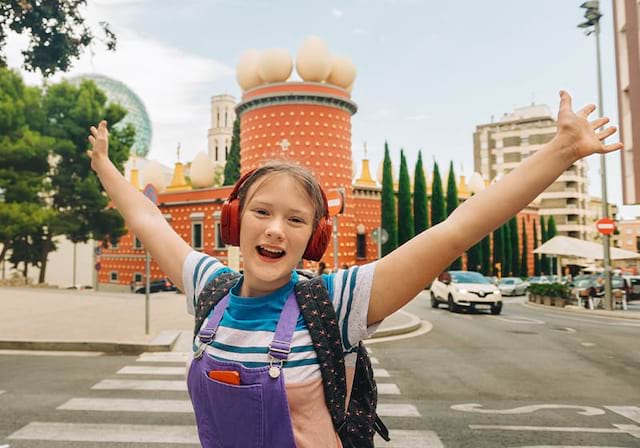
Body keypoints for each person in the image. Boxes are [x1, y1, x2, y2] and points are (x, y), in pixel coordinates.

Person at [87, 91, 621, 447]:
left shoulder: (336, 304)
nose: (276, 229)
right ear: (234, 220)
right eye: (261, 212)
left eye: (296, 220)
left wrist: (561, 150)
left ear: (315, 236)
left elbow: (457, 229)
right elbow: (148, 219)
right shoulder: (210, 290)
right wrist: (108, 167)